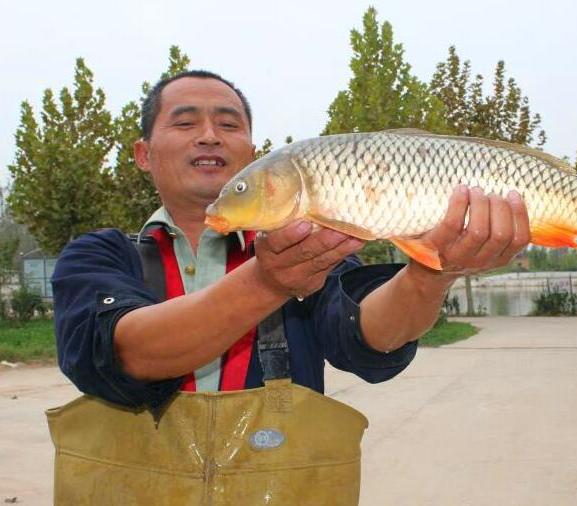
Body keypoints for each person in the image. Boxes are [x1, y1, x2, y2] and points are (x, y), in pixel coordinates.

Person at [47, 70, 530, 505]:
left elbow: (369, 337)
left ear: (254, 159)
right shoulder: (99, 256)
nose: (210, 136)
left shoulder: (308, 249)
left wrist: (432, 271)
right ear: (143, 155)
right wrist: (267, 281)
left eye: (230, 124)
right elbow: (127, 353)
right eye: (185, 122)